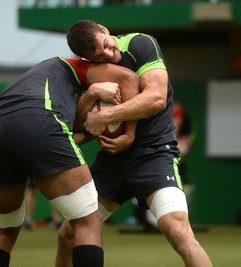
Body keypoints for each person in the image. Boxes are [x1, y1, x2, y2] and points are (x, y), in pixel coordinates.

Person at [56, 20, 213, 267]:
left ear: (104, 29)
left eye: (107, 45)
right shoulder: (89, 72)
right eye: (98, 56)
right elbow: (79, 124)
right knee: (67, 234)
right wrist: (92, 94)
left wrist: (107, 116)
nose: (109, 54)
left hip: (154, 155)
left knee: (178, 232)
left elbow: (157, 98)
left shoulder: (140, 43)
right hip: (111, 162)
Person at [0, 56, 139, 267]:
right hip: (38, 120)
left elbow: (68, 134)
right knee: (88, 222)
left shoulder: (48, 81)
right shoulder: (72, 66)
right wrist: (129, 132)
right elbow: (129, 78)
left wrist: (93, 105)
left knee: (4, 229)